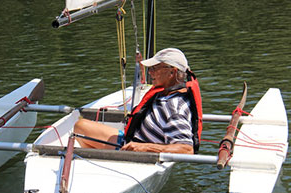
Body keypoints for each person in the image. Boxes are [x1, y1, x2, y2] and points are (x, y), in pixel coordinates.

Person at [74, 48, 202, 154]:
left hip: (139, 152)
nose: (150, 72)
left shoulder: (174, 108)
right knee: (80, 126)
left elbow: (186, 149)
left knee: (81, 128)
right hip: (134, 142)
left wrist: (144, 147)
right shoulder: (168, 93)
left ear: (172, 72)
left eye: (154, 68)